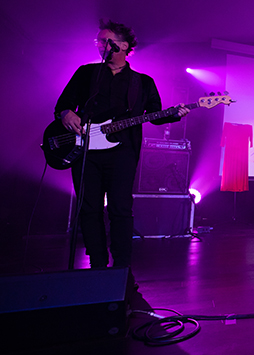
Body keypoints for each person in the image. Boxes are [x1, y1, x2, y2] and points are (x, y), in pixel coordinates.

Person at [55, 19, 190, 268]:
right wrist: (66, 113)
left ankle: (121, 268)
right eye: (98, 41)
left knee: (120, 208)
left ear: (124, 46)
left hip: (123, 153)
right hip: (85, 151)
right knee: (89, 208)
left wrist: (175, 114)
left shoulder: (143, 82)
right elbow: (62, 105)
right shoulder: (87, 73)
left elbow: (156, 115)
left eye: (106, 41)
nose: (100, 45)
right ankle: (97, 263)